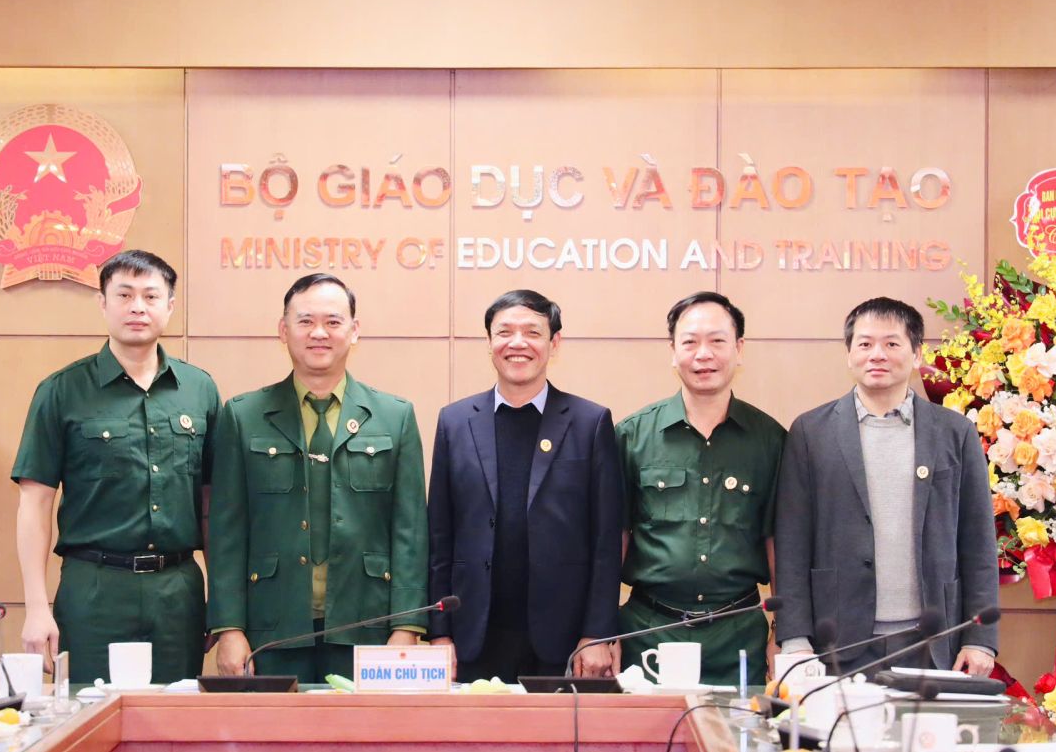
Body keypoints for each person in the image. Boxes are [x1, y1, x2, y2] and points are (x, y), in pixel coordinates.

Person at [10, 249, 219, 685]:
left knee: (174, 714)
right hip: (94, 590)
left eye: (150, 296)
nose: (137, 307)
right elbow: (35, 502)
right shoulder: (62, 390)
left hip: (177, 592)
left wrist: (222, 602)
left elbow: (213, 505)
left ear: (170, 306)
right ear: (103, 303)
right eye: (124, 295)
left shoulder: (199, 390)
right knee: (91, 714)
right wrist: (36, 607)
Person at [207, 274, 428, 682]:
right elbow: (227, 532)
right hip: (271, 625)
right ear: (283, 330)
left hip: (370, 623)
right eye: (306, 321)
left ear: (354, 331)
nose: (319, 333)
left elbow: (410, 531)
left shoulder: (394, 416)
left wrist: (406, 625)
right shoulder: (243, 415)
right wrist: (229, 628)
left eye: (333, 321)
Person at [774, 297, 998, 675]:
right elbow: (792, 542)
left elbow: (978, 541)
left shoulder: (954, 432)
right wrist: (795, 639)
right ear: (849, 354)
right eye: (865, 344)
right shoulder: (811, 432)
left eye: (892, 343)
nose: (877, 354)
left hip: (934, 641)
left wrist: (980, 638)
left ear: (916, 354)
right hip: (838, 642)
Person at [426, 290, 623, 681]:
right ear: (489, 342)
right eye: (504, 332)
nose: (517, 343)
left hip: (563, 638)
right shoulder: (455, 422)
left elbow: (606, 541)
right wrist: (439, 633)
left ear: (554, 342)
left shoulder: (590, 423)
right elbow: (439, 537)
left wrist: (597, 633)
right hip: (472, 635)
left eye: (532, 332)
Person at [616, 292, 784, 686]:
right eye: (690, 342)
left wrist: (783, 633)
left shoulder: (770, 440)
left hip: (739, 634)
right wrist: (602, 631)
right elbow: (613, 539)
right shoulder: (632, 436)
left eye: (717, 341)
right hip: (649, 631)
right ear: (673, 351)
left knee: (741, 727)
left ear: (739, 348)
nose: (703, 354)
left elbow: (779, 542)